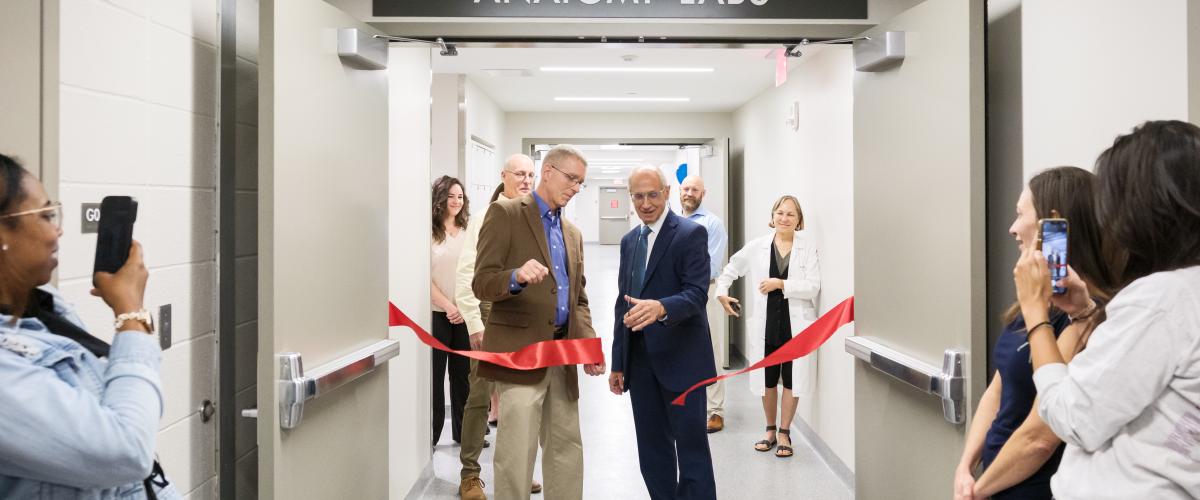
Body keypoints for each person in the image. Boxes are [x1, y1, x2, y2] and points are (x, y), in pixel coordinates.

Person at [1014, 120, 1200, 499]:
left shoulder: (1161, 301)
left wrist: (1035, 312)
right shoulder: (1180, 294)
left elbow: (1073, 418)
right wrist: (1084, 311)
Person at [0, 153, 180, 498]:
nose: (59, 229)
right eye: (45, 215)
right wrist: (130, 312)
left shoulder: (46, 307)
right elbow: (126, 451)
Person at [954, 166, 1121, 500]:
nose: (1013, 229)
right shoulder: (1034, 300)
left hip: (1033, 487)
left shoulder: (1087, 314)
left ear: (1052, 224)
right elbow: (997, 391)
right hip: (994, 479)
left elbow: (1039, 438)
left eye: (1020, 215)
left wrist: (977, 492)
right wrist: (965, 466)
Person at [472, 144, 605, 500]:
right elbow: (481, 282)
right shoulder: (506, 214)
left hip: (562, 355)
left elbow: (578, 298)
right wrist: (514, 276)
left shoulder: (573, 233)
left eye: (581, 183)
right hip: (521, 355)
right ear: (548, 172)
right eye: (572, 179)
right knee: (516, 454)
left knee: (566, 449)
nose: (576, 187)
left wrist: (589, 346)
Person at [610, 166, 717, 500]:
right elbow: (622, 303)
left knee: (692, 454)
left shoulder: (689, 234)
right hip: (641, 365)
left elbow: (697, 294)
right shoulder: (630, 241)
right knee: (652, 453)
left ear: (667, 192)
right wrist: (618, 362)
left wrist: (661, 307)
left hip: (683, 362)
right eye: (638, 196)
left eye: (652, 194)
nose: (645, 203)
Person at [454, 154, 543, 499]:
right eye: (519, 174)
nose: (525, 180)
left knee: (520, 398)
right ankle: (470, 474)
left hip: (525, 315)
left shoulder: (536, 216)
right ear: (503, 175)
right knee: (479, 397)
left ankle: (518, 471)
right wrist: (475, 325)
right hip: (490, 314)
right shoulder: (485, 217)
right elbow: (466, 275)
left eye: (530, 174)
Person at [716, 195, 819, 458]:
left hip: (796, 328)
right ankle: (770, 430)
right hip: (767, 326)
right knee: (768, 380)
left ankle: (785, 432)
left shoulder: (807, 248)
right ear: (772, 216)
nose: (784, 218)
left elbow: (813, 286)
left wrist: (781, 284)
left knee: (793, 382)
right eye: (780, 213)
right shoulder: (757, 246)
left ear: (798, 221)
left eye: (791, 214)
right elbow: (731, 268)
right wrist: (721, 292)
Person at [679, 175, 730, 434]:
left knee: (710, 350)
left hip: (703, 293)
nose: (689, 193)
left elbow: (711, 265)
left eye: (694, 189)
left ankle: (715, 411)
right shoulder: (671, 221)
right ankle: (686, 404)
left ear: (703, 193)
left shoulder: (712, 224)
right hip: (676, 296)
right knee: (680, 349)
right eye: (686, 188)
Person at [430, 175, 471, 446]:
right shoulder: (430, 233)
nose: (456, 201)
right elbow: (424, 278)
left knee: (463, 377)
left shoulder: (469, 232)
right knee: (435, 376)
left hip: (465, 313)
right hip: (437, 313)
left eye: (460, 196)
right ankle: (431, 436)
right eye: (451, 196)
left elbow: (474, 271)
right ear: (440, 199)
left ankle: (464, 432)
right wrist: (447, 306)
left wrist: (461, 307)